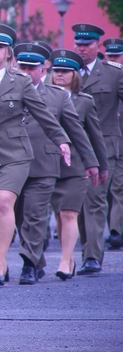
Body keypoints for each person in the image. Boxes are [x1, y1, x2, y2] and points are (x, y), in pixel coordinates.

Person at [0, 24, 70, 287]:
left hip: (14, 152)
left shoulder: (21, 81)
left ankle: (0, 263)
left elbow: (43, 115)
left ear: (8, 53)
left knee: (3, 201)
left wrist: (62, 140)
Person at [13, 42, 97, 285]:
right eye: (22, 66)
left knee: (35, 215)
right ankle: (36, 260)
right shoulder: (7, 90)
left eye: (32, 67)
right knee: (19, 218)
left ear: (43, 69)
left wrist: (91, 162)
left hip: (44, 164)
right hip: (14, 163)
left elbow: (76, 131)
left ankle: (28, 264)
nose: (26, 72)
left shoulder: (57, 96)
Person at [49, 49, 107, 280]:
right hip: (49, 164)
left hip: (76, 166)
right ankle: (69, 257)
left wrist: (100, 165)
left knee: (68, 213)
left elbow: (95, 136)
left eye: (65, 72)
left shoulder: (84, 102)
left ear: (75, 75)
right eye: (56, 71)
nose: (60, 76)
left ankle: (66, 259)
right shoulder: (42, 97)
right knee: (58, 214)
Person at [73, 23, 123, 273]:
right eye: (78, 44)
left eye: (87, 45)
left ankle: (92, 257)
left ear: (98, 46)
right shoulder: (67, 70)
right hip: (72, 150)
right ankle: (86, 250)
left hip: (104, 148)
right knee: (79, 205)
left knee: (94, 201)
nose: (82, 49)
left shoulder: (114, 73)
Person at [102, 36, 123, 251]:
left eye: (116, 55)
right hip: (110, 145)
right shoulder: (105, 78)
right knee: (109, 191)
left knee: (118, 189)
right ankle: (114, 228)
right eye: (109, 56)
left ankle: (116, 231)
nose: (113, 59)